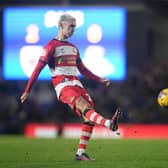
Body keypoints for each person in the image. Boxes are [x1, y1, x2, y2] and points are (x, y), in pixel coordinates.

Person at [20, 13, 121, 161]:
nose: (73, 30)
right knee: (83, 106)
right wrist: (27, 90)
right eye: (70, 26)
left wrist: (100, 79)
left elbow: (83, 69)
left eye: (75, 27)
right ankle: (108, 123)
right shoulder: (50, 47)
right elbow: (37, 69)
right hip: (63, 85)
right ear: (61, 25)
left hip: (76, 84)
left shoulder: (73, 48)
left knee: (89, 115)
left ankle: (80, 153)